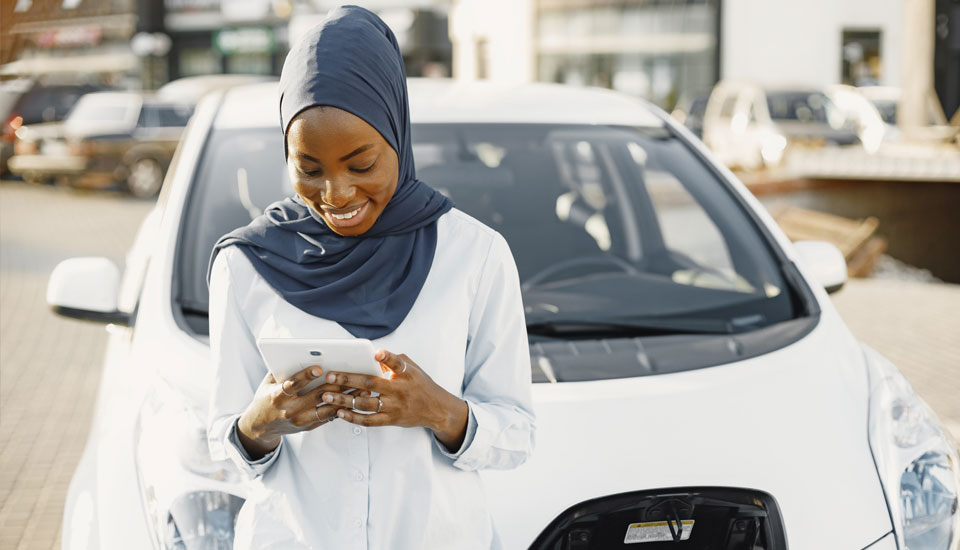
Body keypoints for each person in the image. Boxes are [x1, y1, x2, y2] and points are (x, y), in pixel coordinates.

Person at [205, 6, 535, 549]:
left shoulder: (474, 255)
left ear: (398, 140)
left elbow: (518, 433)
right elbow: (223, 441)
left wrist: (441, 411)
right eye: (309, 169)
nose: (336, 195)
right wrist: (257, 425)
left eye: (361, 165)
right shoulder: (245, 266)